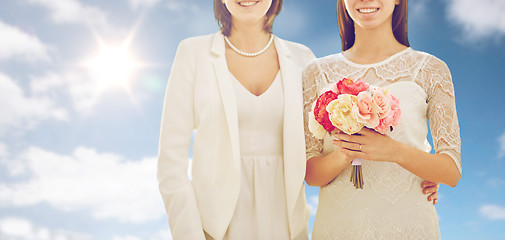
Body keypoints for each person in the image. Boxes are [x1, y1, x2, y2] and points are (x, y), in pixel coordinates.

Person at [157, 0, 315, 239]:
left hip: (287, 227)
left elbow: (321, 149)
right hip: (215, 228)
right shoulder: (193, 53)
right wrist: (190, 234)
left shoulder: (303, 59)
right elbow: (170, 164)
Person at [303, 0, 461, 239]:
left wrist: (392, 151)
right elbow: (310, 174)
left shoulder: (431, 69)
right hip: (339, 226)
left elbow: (451, 171)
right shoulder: (316, 72)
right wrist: (347, 152)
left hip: (409, 225)